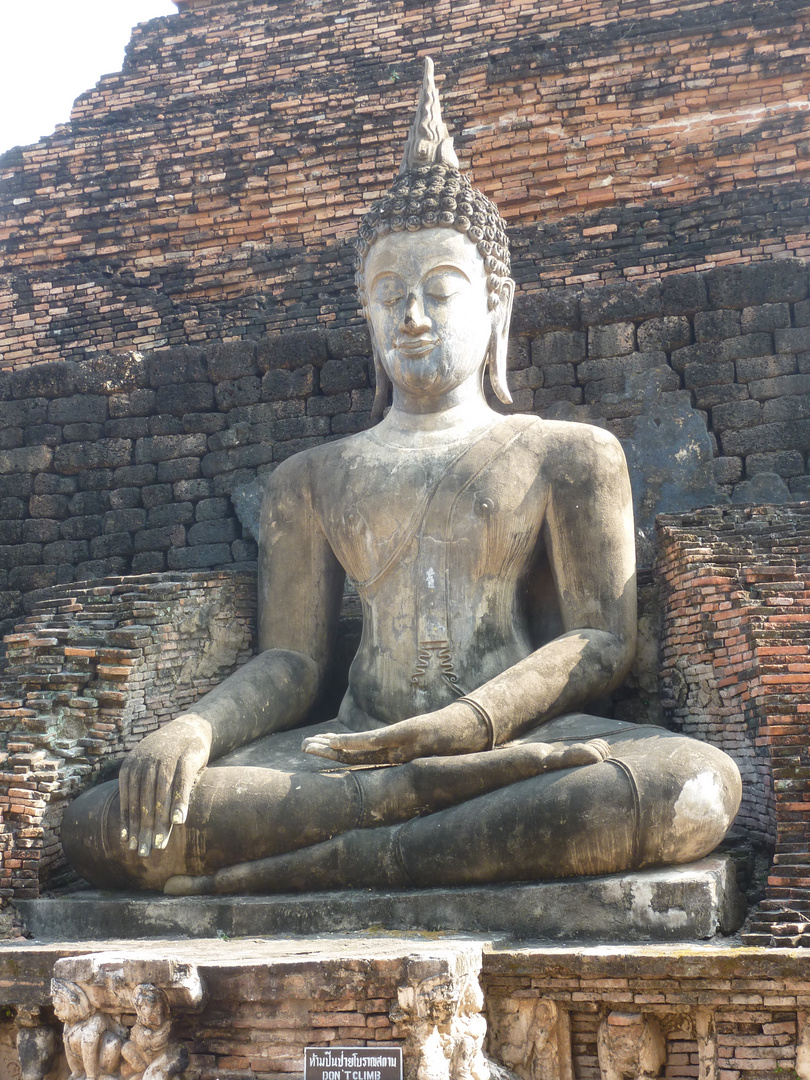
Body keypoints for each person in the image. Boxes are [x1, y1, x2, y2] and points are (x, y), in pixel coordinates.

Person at [63, 60, 741, 895]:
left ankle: (346, 852)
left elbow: (601, 640)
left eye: (440, 291)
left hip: (514, 742)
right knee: (104, 822)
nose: (412, 314)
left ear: (497, 307)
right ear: (366, 315)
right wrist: (194, 731)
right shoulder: (311, 478)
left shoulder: (569, 452)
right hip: (346, 754)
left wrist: (464, 726)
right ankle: (415, 809)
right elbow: (292, 660)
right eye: (389, 294)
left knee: (691, 785)